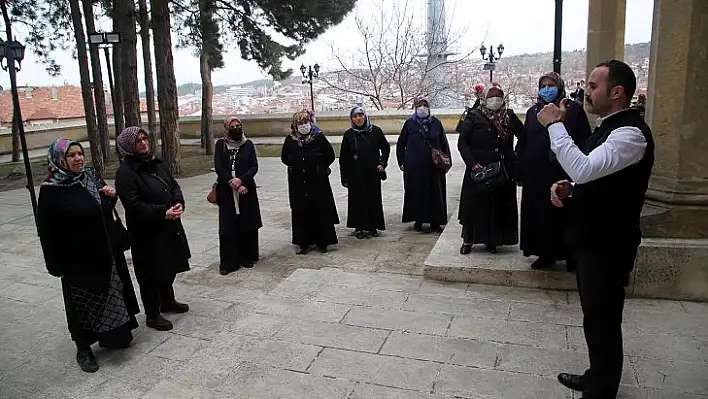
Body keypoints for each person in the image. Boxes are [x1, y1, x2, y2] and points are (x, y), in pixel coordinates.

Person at [537, 60, 655, 398]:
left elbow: (585, 168)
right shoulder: (607, 127)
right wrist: (570, 187)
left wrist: (555, 126)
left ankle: (602, 389)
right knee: (594, 316)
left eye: (593, 86)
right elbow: (594, 177)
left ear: (616, 92)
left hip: (609, 244)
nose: (586, 91)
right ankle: (596, 374)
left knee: (604, 319)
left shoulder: (631, 134)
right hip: (591, 239)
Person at [37, 139, 140, 373]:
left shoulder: (90, 176)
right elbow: (47, 232)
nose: (78, 159)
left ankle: (114, 335)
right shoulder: (51, 190)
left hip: (106, 252)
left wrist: (111, 197)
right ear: (59, 159)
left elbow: (104, 206)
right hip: (78, 261)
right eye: (71, 155)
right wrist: (55, 264)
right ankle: (83, 349)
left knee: (112, 296)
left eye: (80, 153)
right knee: (82, 305)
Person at [115, 126, 191, 332]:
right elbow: (133, 204)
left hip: (169, 227)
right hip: (146, 233)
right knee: (150, 273)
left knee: (170, 265)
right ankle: (152, 313)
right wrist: (162, 212)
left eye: (144, 138)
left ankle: (167, 300)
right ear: (128, 147)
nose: (143, 142)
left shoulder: (157, 162)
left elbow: (173, 184)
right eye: (137, 141)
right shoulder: (126, 173)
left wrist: (178, 202)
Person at [517, 72, 591, 269]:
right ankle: (544, 253)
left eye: (551, 85)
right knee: (540, 216)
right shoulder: (534, 112)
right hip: (535, 175)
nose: (547, 89)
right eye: (543, 85)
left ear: (559, 86)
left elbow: (584, 140)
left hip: (561, 174)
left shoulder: (573, 110)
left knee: (563, 216)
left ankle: (569, 256)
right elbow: (525, 140)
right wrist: (521, 167)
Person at [456, 84, 523, 254]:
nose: (495, 100)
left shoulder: (509, 115)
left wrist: (514, 157)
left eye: (498, 96)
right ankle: (469, 240)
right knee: (475, 206)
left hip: (503, 170)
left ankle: (492, 240)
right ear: (484, 98)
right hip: (479, 170)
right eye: (491, 96)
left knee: (497, 206)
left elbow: (524, 136)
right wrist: (473, 164)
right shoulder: (473, 116)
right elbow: (462, 142)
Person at [281, 109, 339, 254]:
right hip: (299, 183)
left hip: (318, 182)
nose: (304, 125)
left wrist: (321, 166)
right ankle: (303, 242)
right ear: (295, 125)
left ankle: (322, 242)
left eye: (306, 122)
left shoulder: (318, 138)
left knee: (320, 210)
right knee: (301, 211)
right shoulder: (290, 140)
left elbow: (330, 155)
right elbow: (285, 158)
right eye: (300, 123)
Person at [214, 116, 262, 275]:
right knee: (228, 226)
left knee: (246, 223)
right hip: (227, 191)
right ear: (227, 128)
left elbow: (254, 166)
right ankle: (229, 262)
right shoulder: (220, 145)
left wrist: (241, 180)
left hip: (246, 189)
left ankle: (247, 257)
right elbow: (219, 167)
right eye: (233, 126)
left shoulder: (248, 144)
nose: (237, 128)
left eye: (239, 125)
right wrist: (232, 181)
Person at [396, 96, 451, 233]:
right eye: (419, 105)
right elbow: (401, 144)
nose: (422, 108)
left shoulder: (436, 123)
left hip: (434, 166)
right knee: (416, 193)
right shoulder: (410, 124)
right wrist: (402, 162)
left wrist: (446, 162)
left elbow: (443, 143)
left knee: (435, 194)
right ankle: (418, 220)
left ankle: (435, 221)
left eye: (424, 105)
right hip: (415, 167)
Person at [339, 106, 390, 239]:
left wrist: (383, 163)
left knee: (373, 198)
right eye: (355, 116)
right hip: (355, 174)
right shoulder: (349, 134)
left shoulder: (376, 131)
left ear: (365, 116)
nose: (358, 118)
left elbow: (385, 148)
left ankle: (373, 226)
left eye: (360, 115)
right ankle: (359, 227)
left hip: (372, 172)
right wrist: (344, 177)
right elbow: (343, 158)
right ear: (352, 119)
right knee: (357, 200)